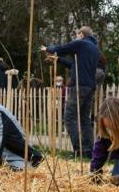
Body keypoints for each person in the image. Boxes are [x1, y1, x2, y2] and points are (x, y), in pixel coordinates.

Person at [41, 26, 100, 158]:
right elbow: (75, 65)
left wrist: (48, 49)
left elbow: (61, 49)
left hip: (78, 85)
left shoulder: (81, 43)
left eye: (77, 34)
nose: (76, 36)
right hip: (90, 86)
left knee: (70, 117)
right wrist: (59, 60)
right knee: (84, 118)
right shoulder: (95, 49)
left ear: (81, 34)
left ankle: (78, 150)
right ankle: (89, 151)